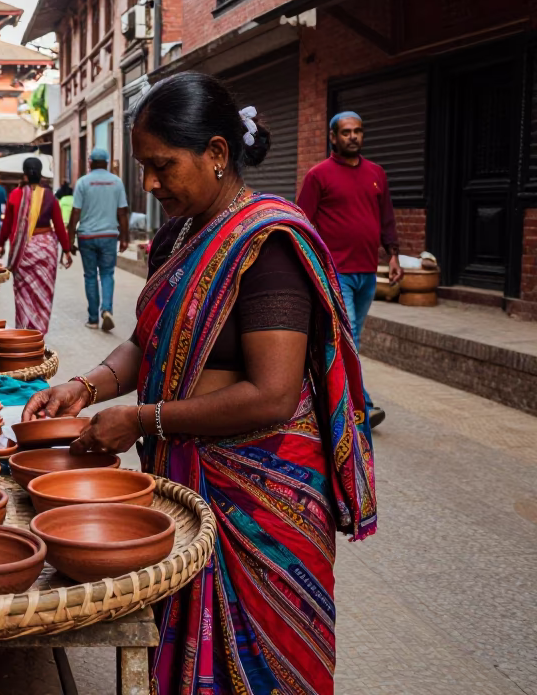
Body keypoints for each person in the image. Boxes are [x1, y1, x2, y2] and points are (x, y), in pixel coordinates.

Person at [20, 73, 377, 695]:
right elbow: (146, 342)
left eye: (163, 166)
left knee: (262, 661)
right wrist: (86, 386)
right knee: (186, 648)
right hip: (188, 479)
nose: (152, 185)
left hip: (263, 491)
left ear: (216, 153)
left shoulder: (268, 245)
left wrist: (141, 420)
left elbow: (271, 393)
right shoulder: (176, 236)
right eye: (144, 169)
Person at [297, 110, 401, 429]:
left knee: (345, 339)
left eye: (358, 131)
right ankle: (362, 406)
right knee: (348, 337)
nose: (353, 137)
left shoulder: (376, 173)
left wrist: (393, 256)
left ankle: (323, 394)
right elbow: (301, 221)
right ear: (333, 137)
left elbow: (386, 217)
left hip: (367, 271)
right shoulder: (319, 175)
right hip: (335, 271)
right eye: (346, 132)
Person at [0, 157, 73, 334]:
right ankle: (38, 332)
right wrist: (67, 250)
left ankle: (24, 331)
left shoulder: (16, 195)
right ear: (40, 175)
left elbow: (7, 224)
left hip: (23, 251)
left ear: (24, 175)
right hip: (46, 250)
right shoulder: (49, 196)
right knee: (43, 294)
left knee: (23, 293)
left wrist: (0, 245)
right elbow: (59, 225)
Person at [68, 147, 130, 332]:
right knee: (107, 274)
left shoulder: (83, 183)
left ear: (90, 162)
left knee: (90, 276)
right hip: (109, 236)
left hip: (87, 236)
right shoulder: (116, 182)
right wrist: (125, 238)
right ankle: (107, 310)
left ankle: (93, 319)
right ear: (107, 163)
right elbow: (122, 212)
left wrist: (69, 239)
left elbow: (75, 212)